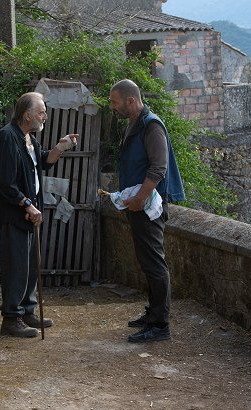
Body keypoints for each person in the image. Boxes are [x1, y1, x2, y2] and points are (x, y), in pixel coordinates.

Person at [0, 92, 78, 337]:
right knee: (16, 266)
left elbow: (42, 162)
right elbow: (5, 183)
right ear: (27, 115)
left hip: (30, 213)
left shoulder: (29, 138)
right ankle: (11, 318)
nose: (45, 116)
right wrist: (27, 204)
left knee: (30, 266)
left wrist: (61, 147)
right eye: (41, 112)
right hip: (15, 214)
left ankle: (27, 311)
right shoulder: (7, 138)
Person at [108, 79, 185, 343]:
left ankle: (160, 325)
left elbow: (158, 168)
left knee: (155, 264)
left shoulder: (152, 126)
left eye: (115, 102)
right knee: (147, 261)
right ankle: (152, 314)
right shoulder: (134, 124)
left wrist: (140, 198)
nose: (112, 107)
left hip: (150, 206)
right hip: (139, 204)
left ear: (131, 101)